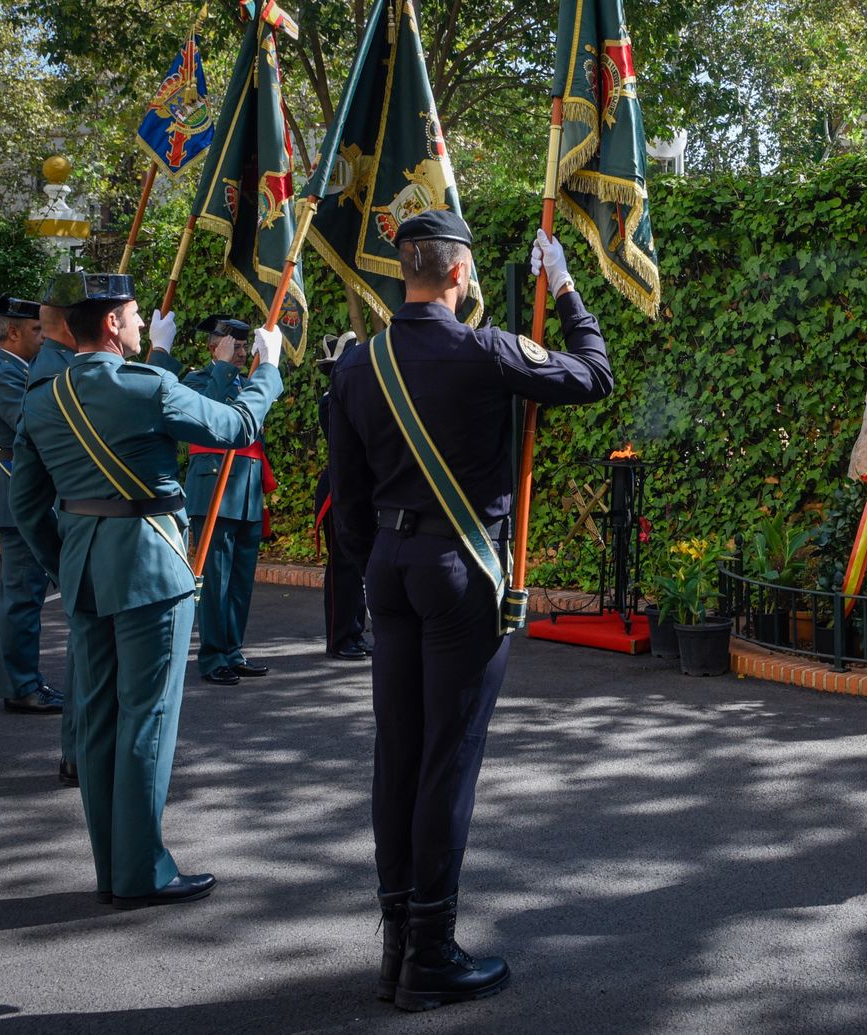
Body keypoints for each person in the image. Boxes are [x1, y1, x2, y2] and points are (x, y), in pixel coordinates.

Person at [328, 213, 612, 1012]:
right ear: (459, 273)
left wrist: (375, 562)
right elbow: (595, 374)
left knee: (398, 752)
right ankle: (429, 954)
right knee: (447, 758)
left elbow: (345, 496)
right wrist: (563, 285)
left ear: (405, 270)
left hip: (389, 568)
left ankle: (396, 945)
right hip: (460, 570)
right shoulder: (486, 350)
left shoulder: (358, 362)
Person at [9, 272, 283, 909]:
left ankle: (114, 868)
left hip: (85, 569)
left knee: (99, 721)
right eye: (134, 315)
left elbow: (27, 505)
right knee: (147, 720)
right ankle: (141, 874)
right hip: (150, 568)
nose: (140, 325)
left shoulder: (43, 396)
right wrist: (267, 369)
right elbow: (237, 424)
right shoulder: (147, 385)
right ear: (111, 325)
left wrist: (68, 567)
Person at [152, 316, 275, 686]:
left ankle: (233, 651)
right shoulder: (195, 380)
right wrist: (222, 368)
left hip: (246, 491)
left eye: (244, 346)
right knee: (215, 581)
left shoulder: (245, 383)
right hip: (213, 490)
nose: (241, 352)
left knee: (240, 581)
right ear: (214, 347)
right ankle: (212, 656)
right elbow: (207, 413)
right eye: (234, 346)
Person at [0, 295, 60, 717]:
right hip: (16, 493)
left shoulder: (17, 370)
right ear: (12, 331)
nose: (43, 337)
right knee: (22, 597)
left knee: (25, 594)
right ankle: (21, 686)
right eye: (36, 330)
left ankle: (23, 681)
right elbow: (34, 427)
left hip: (21, 492)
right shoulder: (3, 376)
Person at [25, 274, 88, 787]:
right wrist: (61, 563)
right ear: (72, 326)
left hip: (83, 541)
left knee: (88, 657)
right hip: (88, 537)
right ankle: (80, 754)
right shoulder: (56, 376)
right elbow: (29, 500)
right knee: (90, 660)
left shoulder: (56, 366)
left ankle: (79, 753)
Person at [315, 331, 371, 661]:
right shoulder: (331, 402)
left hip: (358, 487)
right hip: (339, 489)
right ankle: (340, 637)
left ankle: (355, 631)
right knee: (343, 565)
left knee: (358, 565)